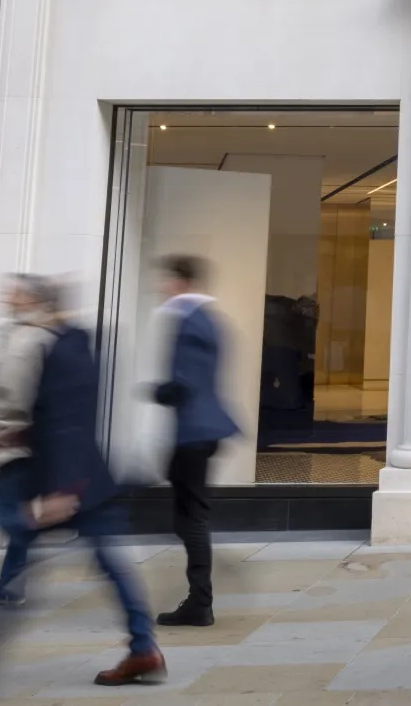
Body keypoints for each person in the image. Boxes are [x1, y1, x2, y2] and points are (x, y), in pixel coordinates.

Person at [0, 280, 163, 697]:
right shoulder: (65, 342)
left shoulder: (56, 348)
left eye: (17, 295)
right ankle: (143, 648)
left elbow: (67, 421)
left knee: (18, 572)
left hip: (55, 479)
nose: (7, 300)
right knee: (107, 560)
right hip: (77, 476)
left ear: (43, 304)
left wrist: (62, 490)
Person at [151, 254, 241, 628]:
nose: (161, 287)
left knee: (191, 519)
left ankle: (200, 602)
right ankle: (198, 600)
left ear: (180, 281)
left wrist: (158, 392)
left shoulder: (188, 322)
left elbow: (185, 381)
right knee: (190, 517)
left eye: (166, 280)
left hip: (193, 431)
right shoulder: (210, 319)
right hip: (204, 429)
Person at [0, 275, 60, 607]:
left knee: (7, 513)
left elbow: (19, 393)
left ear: (32, 299)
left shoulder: (32, 339)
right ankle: (11, 583)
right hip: (13, 438)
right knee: (9, 510)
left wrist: (8, 430)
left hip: (16, 440)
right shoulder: (12, 333)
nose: (8, 297)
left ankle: (15, 578)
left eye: (15, 294)